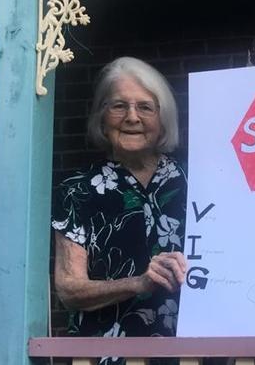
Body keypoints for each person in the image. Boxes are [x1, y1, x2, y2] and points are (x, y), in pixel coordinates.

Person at [52, 57, 187, 364]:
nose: (131, 117)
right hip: (106, 355)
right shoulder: (78, 189)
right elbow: (68, 289)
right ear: (102, 117)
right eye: (118, 106)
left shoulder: (197, 183)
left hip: (188, 353)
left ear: (163, 119)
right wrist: (138, 282)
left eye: (145, 107)